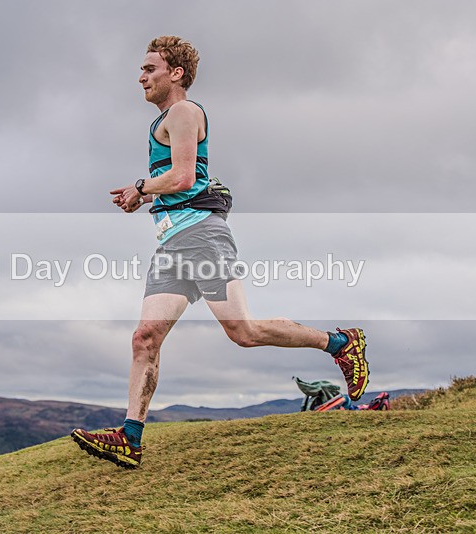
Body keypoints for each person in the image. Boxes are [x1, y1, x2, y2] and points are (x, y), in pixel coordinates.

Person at [71, 36, 369, 469]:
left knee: (243, 332)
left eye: (150, 68)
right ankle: (130, 437)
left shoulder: (185, 112)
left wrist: (140, 187)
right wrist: (146, 199)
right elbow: (182, 186)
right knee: (145, 338)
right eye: (141, 70)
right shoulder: (167, 120)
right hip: (173, 243)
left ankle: (340, 343)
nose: (141, 76)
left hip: (201, 238)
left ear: (176, 74)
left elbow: (182, 176)